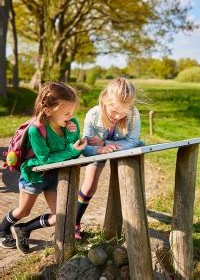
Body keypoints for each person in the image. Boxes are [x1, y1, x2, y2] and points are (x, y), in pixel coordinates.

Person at [0, 82, 87, 253]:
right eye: (66, 112)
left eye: (72, 112)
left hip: (54, 175)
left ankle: (24, 229)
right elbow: (46, 159)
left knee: (59, 215)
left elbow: (74, 155)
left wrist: (72, 136)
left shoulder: (70, 123)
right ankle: (2, 229)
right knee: (24, 210)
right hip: (34, 174)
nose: (71, 116)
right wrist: (71, 150)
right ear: (48, 111)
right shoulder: (36, 130)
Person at [76, 77, 141, 239]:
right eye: (114, 111)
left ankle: (133, 224)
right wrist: (100, 148)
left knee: (128, 182)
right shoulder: (93, 114)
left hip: (123, 149)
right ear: (105, 100)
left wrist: (105, 142)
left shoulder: (133, 114)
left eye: (123, 112)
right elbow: (86, 147)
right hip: (99, 151)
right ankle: (74, 222)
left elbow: (132, 141)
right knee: (90, 185)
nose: (118, 116)